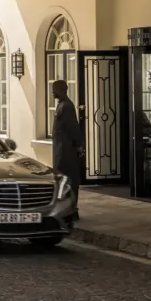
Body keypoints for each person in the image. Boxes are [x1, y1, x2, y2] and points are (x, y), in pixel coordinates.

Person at [51, 80, 84, 215]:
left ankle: (72, 209)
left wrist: (79, 145)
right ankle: (66, 209)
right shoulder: (61, 105)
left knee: (69, 180)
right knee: (63, 180)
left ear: (62, 90)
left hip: (66, 151)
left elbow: (73, 129)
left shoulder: (67, 107)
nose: (52, 92)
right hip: (60, 149)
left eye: (55, 89)